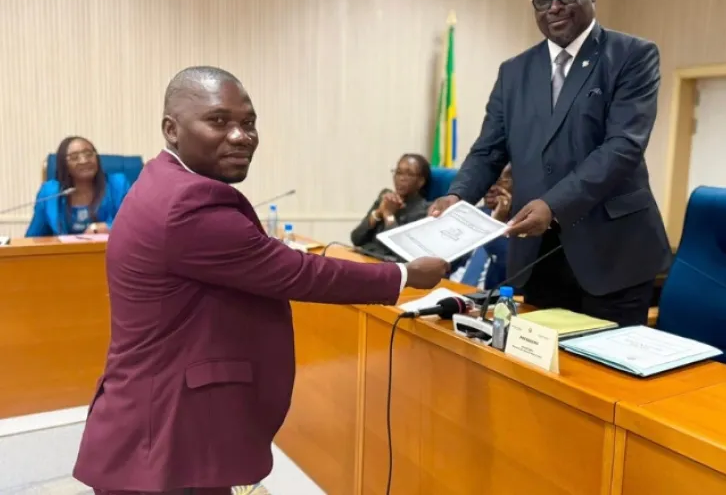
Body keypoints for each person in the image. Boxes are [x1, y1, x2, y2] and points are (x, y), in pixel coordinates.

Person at [72, 66, 448, 495]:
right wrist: (403, 274)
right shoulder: (188, 202)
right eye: (218, 121)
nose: (240, 136)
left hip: (164, 421)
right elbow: (295, 273)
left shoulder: (167, 180)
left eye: (248, 123)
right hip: (164, 433)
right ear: (171, 129)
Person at [429, 0, 671, 326]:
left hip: (613, 257)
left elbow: (623, 147)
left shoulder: (632, 56)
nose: (554, 7)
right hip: (538, 257)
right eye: (543, 0)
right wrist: (457, 195)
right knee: (542, 372)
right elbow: (489, 149)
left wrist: (553, 205)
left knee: (605, 380)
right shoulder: (514, 72)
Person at [26, 136, 130, 237]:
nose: (84, 161)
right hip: (66, 253)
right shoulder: (50, 193)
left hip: (108, 252)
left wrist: (109, 227)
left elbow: (133, 224)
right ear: (63, 164)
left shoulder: (118, 184)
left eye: (89, 154)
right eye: (74, 157)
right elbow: (33, 238)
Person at [350, 153, 431, 258]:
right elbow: (356, 239)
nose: (401, 178)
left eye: (409, 174)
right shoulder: (386, 198)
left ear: (421, 181)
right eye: (398, 172)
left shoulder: (424, 211)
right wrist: (378, 213)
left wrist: (389, 215)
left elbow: (402, 254)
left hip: (387, 268)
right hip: (364, 258)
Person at [450, 165, 512, 290]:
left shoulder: (526, 223)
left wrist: (497, 226)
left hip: (486, 296)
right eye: (487, 181)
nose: (490, 188)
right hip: (452, 285)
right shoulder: (475, 214)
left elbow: (507, 274)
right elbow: (450, 260)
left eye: (499, 181)